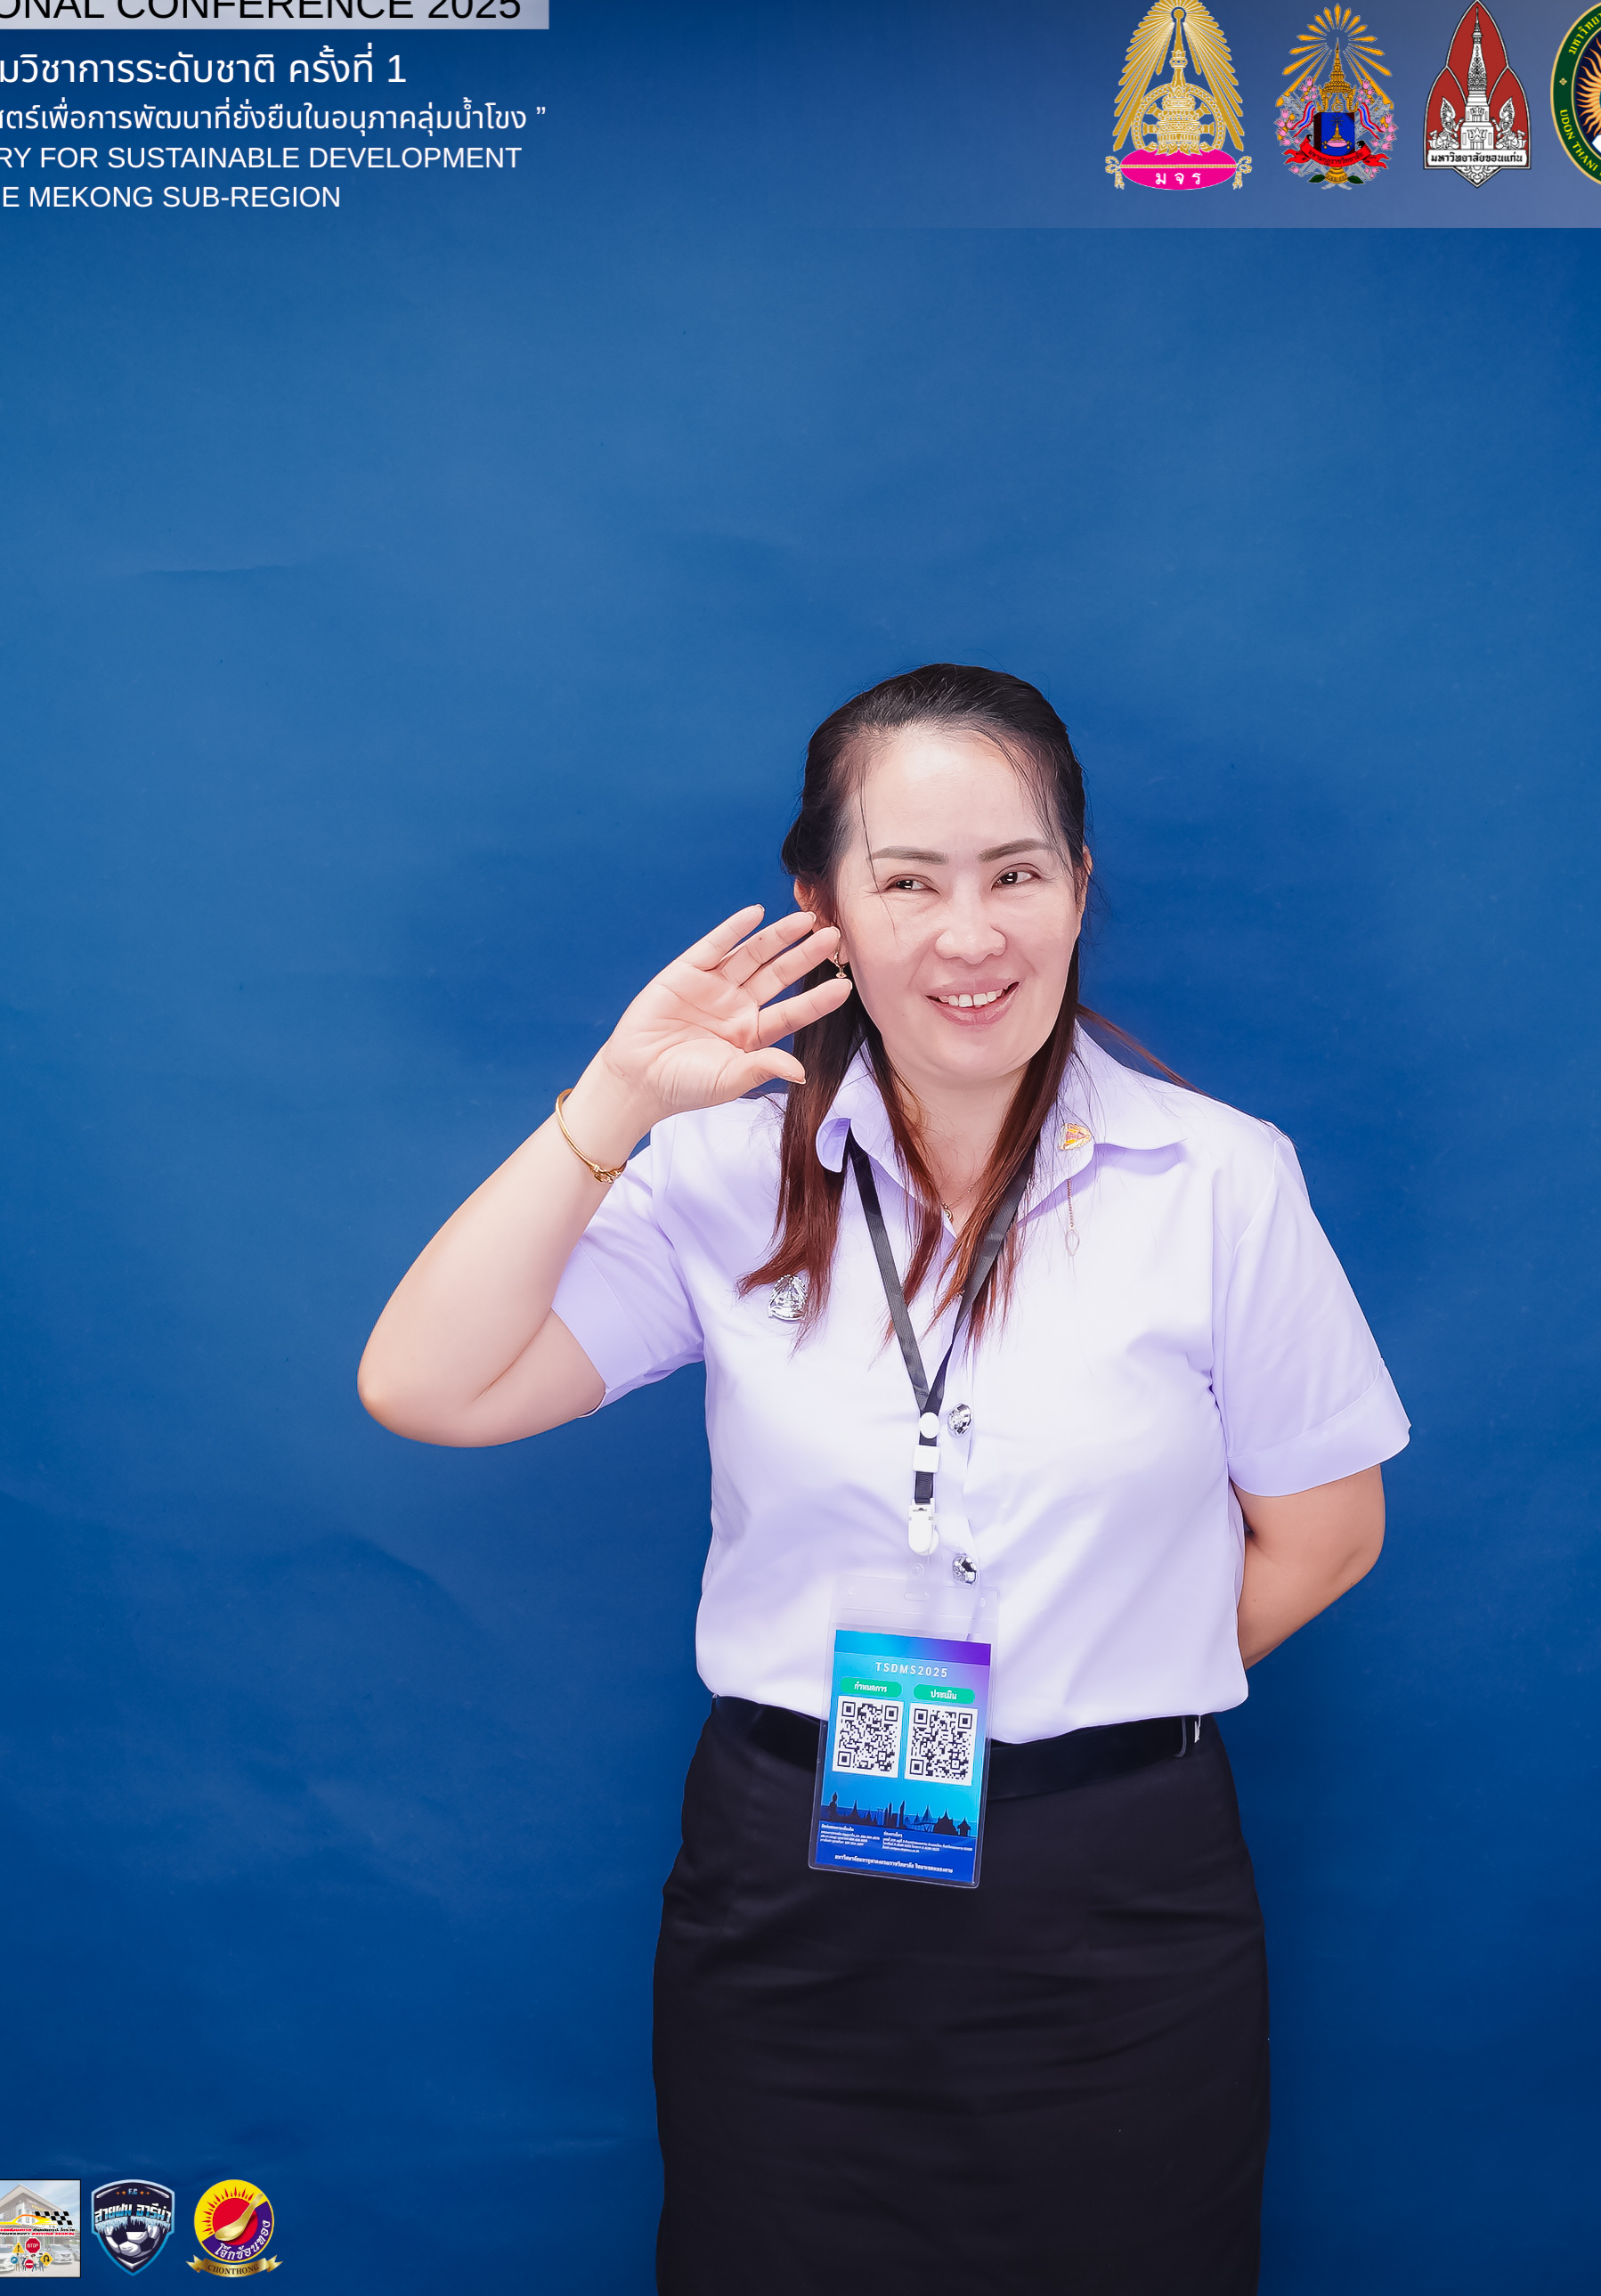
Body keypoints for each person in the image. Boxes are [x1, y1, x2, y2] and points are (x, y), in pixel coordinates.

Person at [358, 664, 1405, 2293]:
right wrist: (612, 1106)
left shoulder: (1220, 1181)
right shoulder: (720, 1174)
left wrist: (1080, 1688)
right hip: (796, 1890)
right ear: (824, 908)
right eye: (908, 883)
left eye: (1016, 873)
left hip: (1121, 1896)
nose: (969, 936)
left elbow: (1326, 1535)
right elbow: (427, 1386)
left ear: (1077, 887)